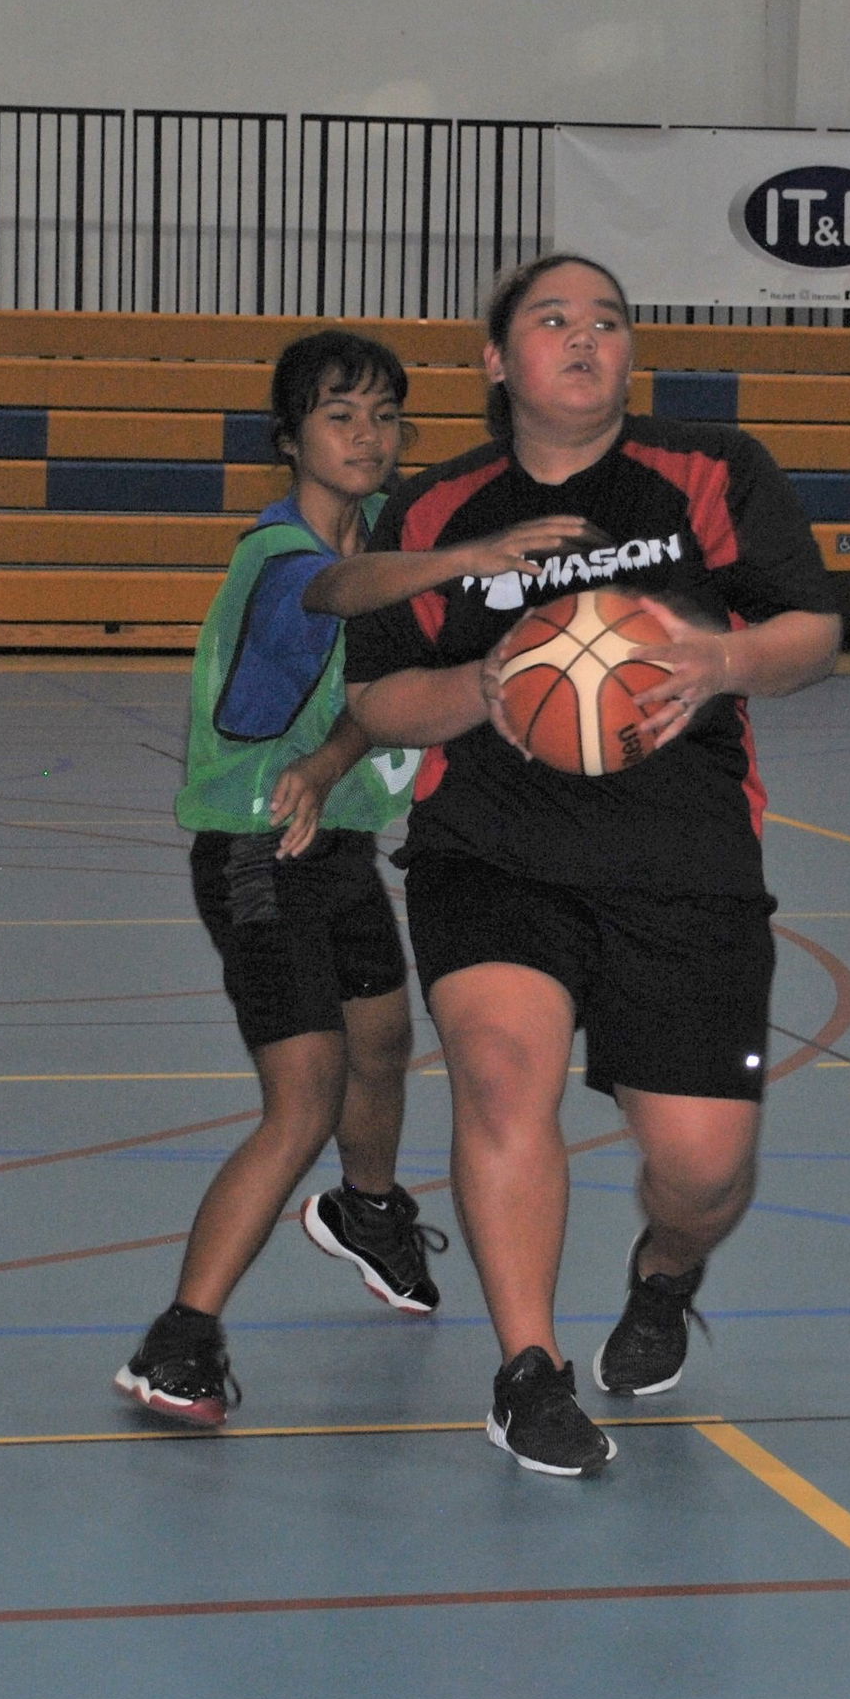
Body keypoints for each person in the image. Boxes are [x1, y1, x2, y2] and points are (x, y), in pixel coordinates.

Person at [342, 252, 841, 1478]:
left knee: (702, 1167)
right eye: (552, 320)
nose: (583, 339)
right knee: (502, 1076)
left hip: (683, 859)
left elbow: (812, 629)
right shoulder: (430, 511)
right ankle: (528, 1370)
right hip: (492, 852)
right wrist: (481, 687)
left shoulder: (710, 474)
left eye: (608, 321)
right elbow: (377, 696)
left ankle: (665, 1272)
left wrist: (720, 662)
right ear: (496, 359)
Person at [114, 327, 595, 1427]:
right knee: (305, 1096)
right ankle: (178, 1337)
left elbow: (382, 682)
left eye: (385, 416)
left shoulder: (393, 531)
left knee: (385, 1041)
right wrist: (462, 559)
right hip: (254, 846)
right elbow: (343, 590)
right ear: (289, 439)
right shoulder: (279, 555)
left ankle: (367, 1206)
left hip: (337, 843)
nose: (368, 435)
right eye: (341, 416)